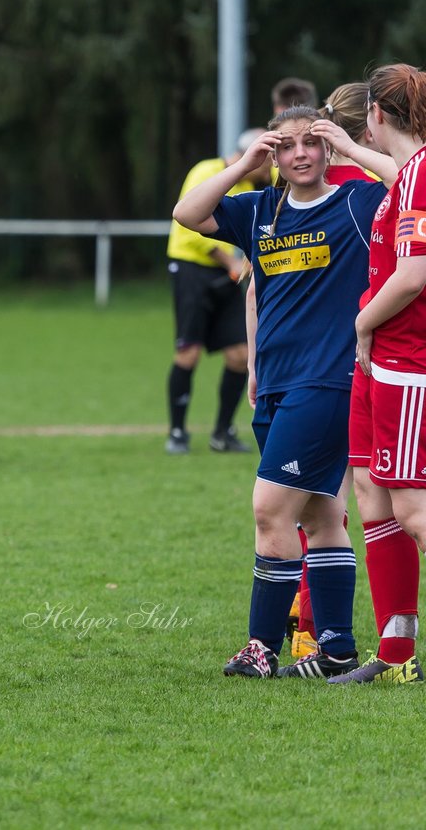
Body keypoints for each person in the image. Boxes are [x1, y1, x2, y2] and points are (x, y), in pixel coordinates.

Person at [173, 106, 388, 679]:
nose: (299, 154)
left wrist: (347, 143)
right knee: (321, 517)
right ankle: (338, 648)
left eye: (310, 144)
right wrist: (243, 163)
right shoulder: (260, 209)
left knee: (270, 511)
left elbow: (408, 175)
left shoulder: (356, 202)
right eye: (287, 145)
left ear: (325, 151)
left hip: (327, 382)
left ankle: (262, 648)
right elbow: (187, 213)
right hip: (274, 386)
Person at [326, 63, 426, 684]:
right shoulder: (408, 174)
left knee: (414, 510)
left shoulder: (422, 176)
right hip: (378, 362)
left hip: (406, 361)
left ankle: (398, 657)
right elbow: (393, 173)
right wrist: (348, 147)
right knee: (370, 492)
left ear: (378, 113)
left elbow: (415, 275)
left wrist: (362, 324)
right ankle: (396, 657)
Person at [286, 82, 384, 660]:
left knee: (318, 506)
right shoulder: (363, 191)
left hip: (299, 365)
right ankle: (343, 636)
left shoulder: (312, 188)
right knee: (359, 505)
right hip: (360, 361)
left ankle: (307, 628)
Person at [164, 130, 270, 454]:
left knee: (240, 355)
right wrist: (233, 262)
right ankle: (178, 433)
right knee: (189, 353)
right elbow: (190, 226)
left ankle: (222, 433)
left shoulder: (254, 185)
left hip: (230, 273)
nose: (269, 173)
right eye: (265, 164)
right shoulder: (206, 171)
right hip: (192, 270)